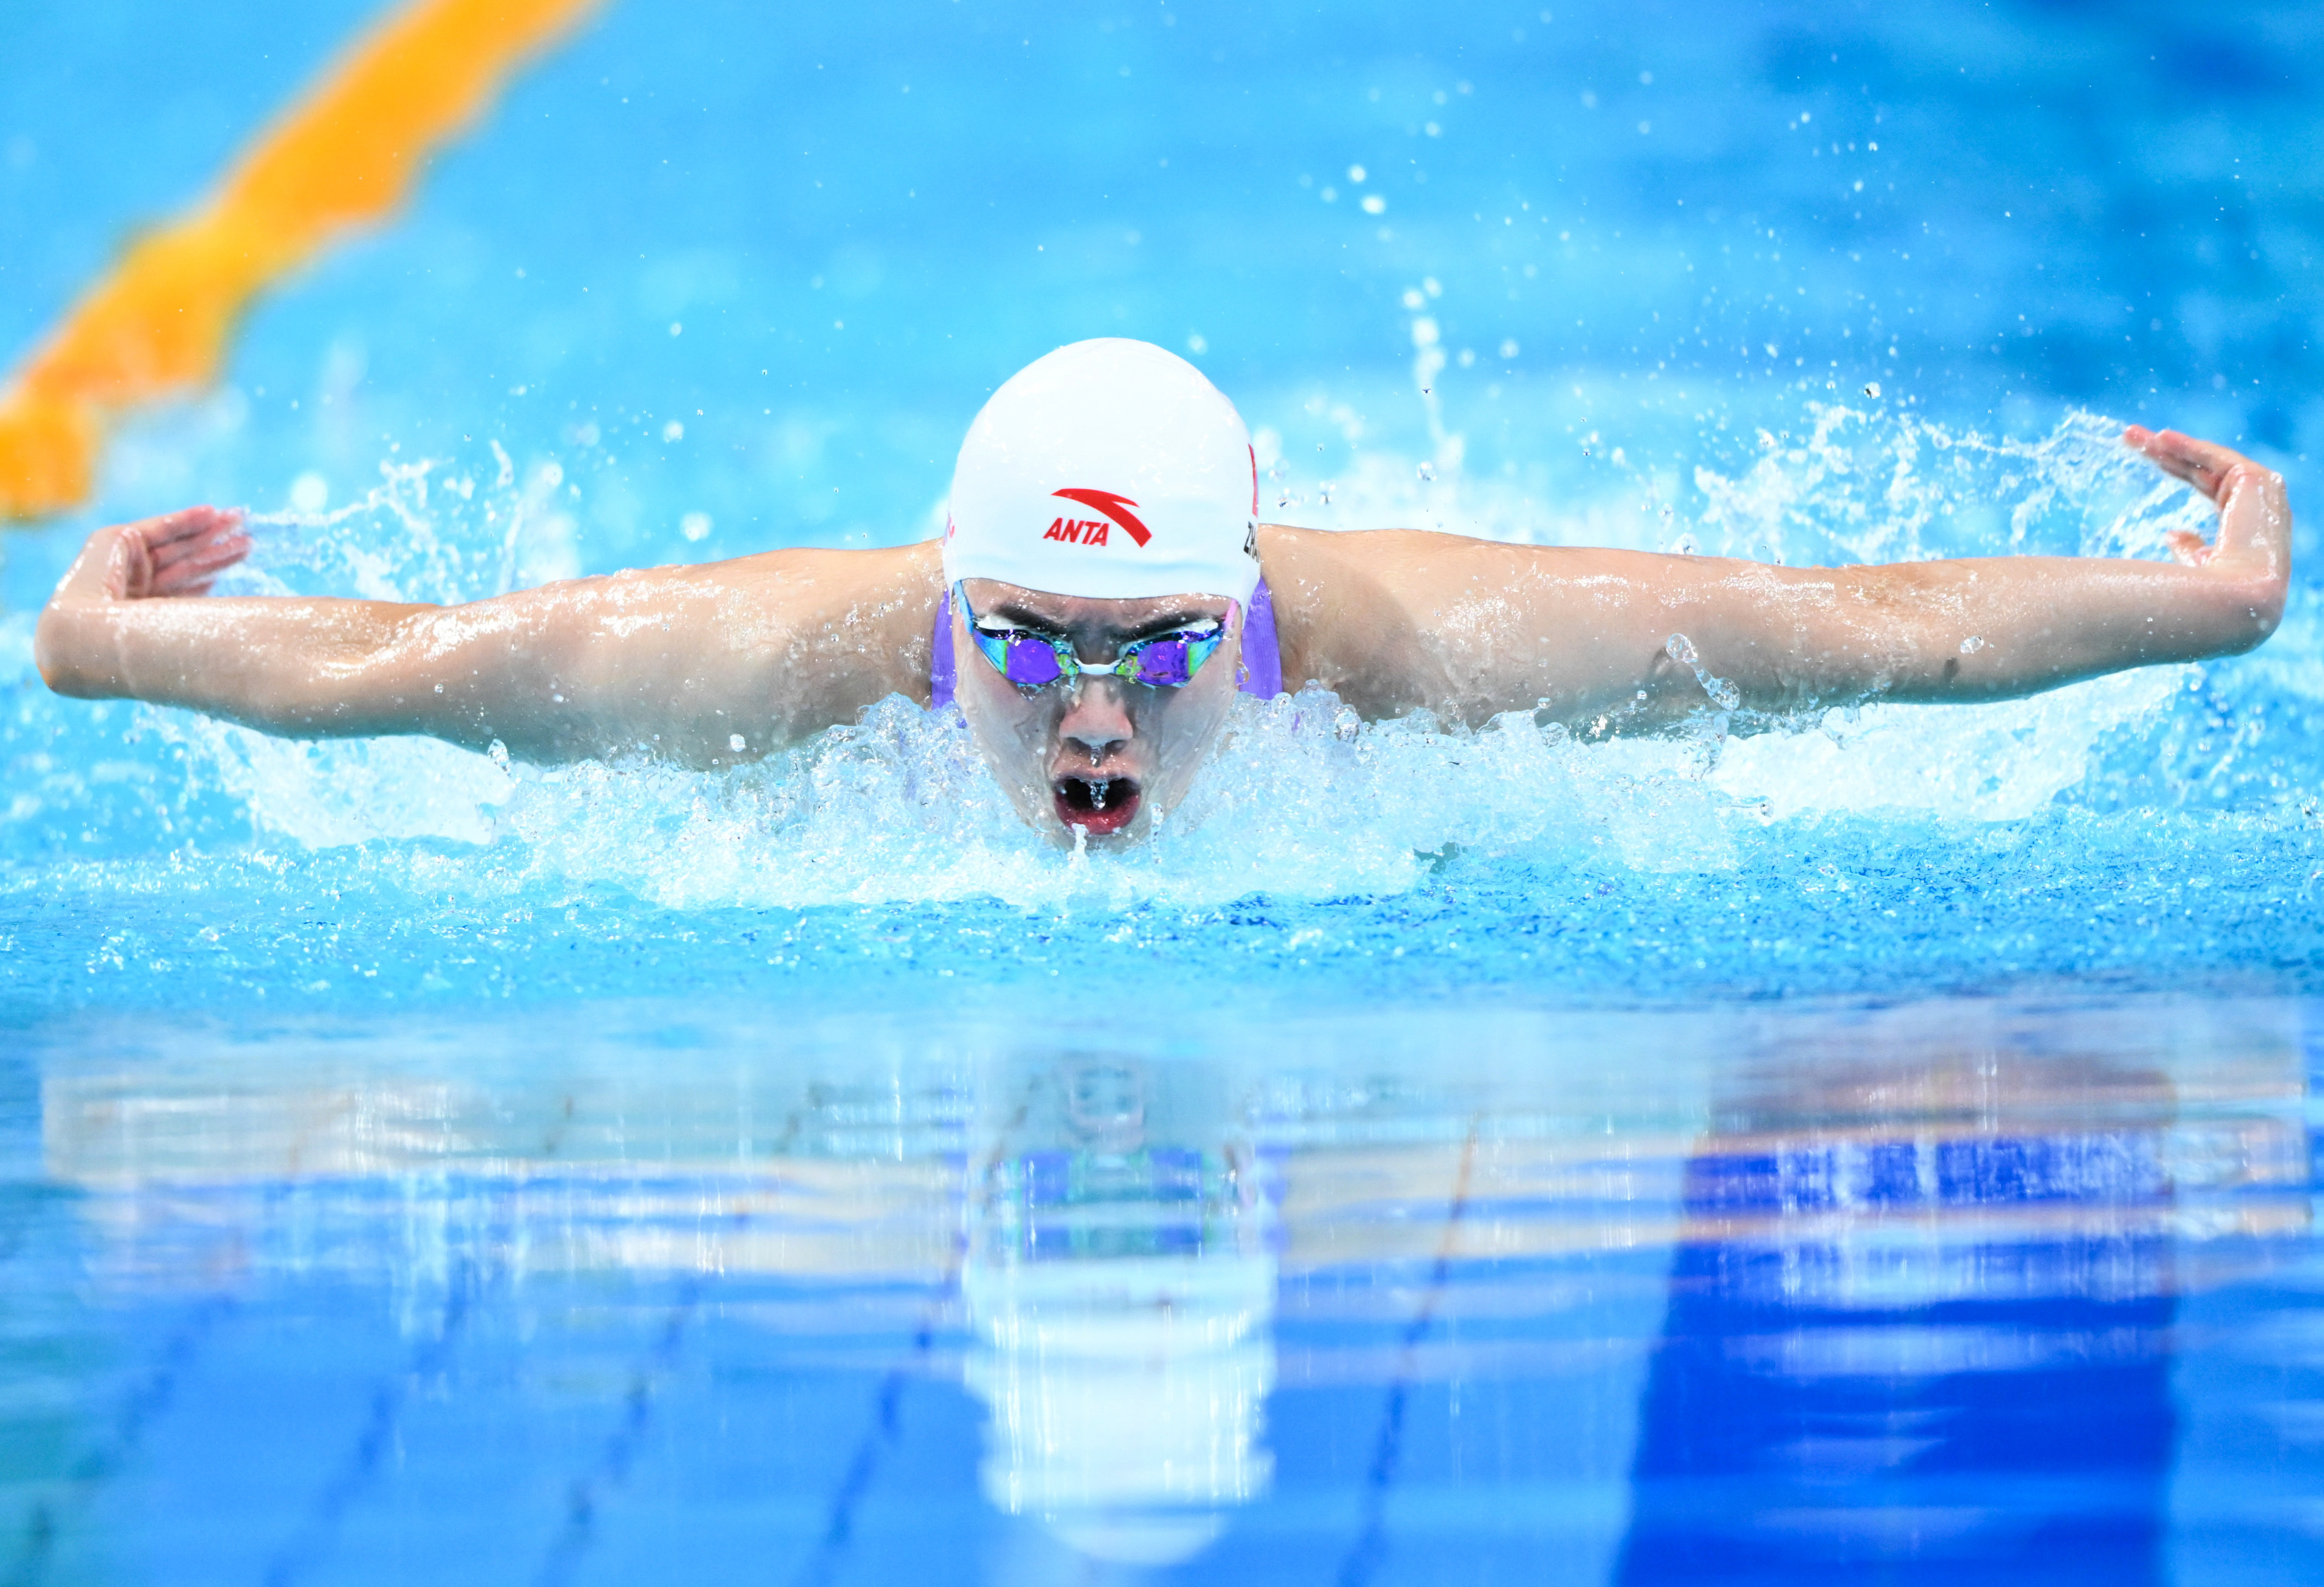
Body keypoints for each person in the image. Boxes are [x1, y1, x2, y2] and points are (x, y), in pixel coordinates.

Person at [32, 338, 2292, 845]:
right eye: (1022, 643)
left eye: (1154, 649)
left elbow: (1878, 631)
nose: (1089, 717)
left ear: (1246, 612)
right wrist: (96, 638)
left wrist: (2218, 603)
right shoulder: (770, 664)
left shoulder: (1413, 647)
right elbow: (400, 676)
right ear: (946, 596)